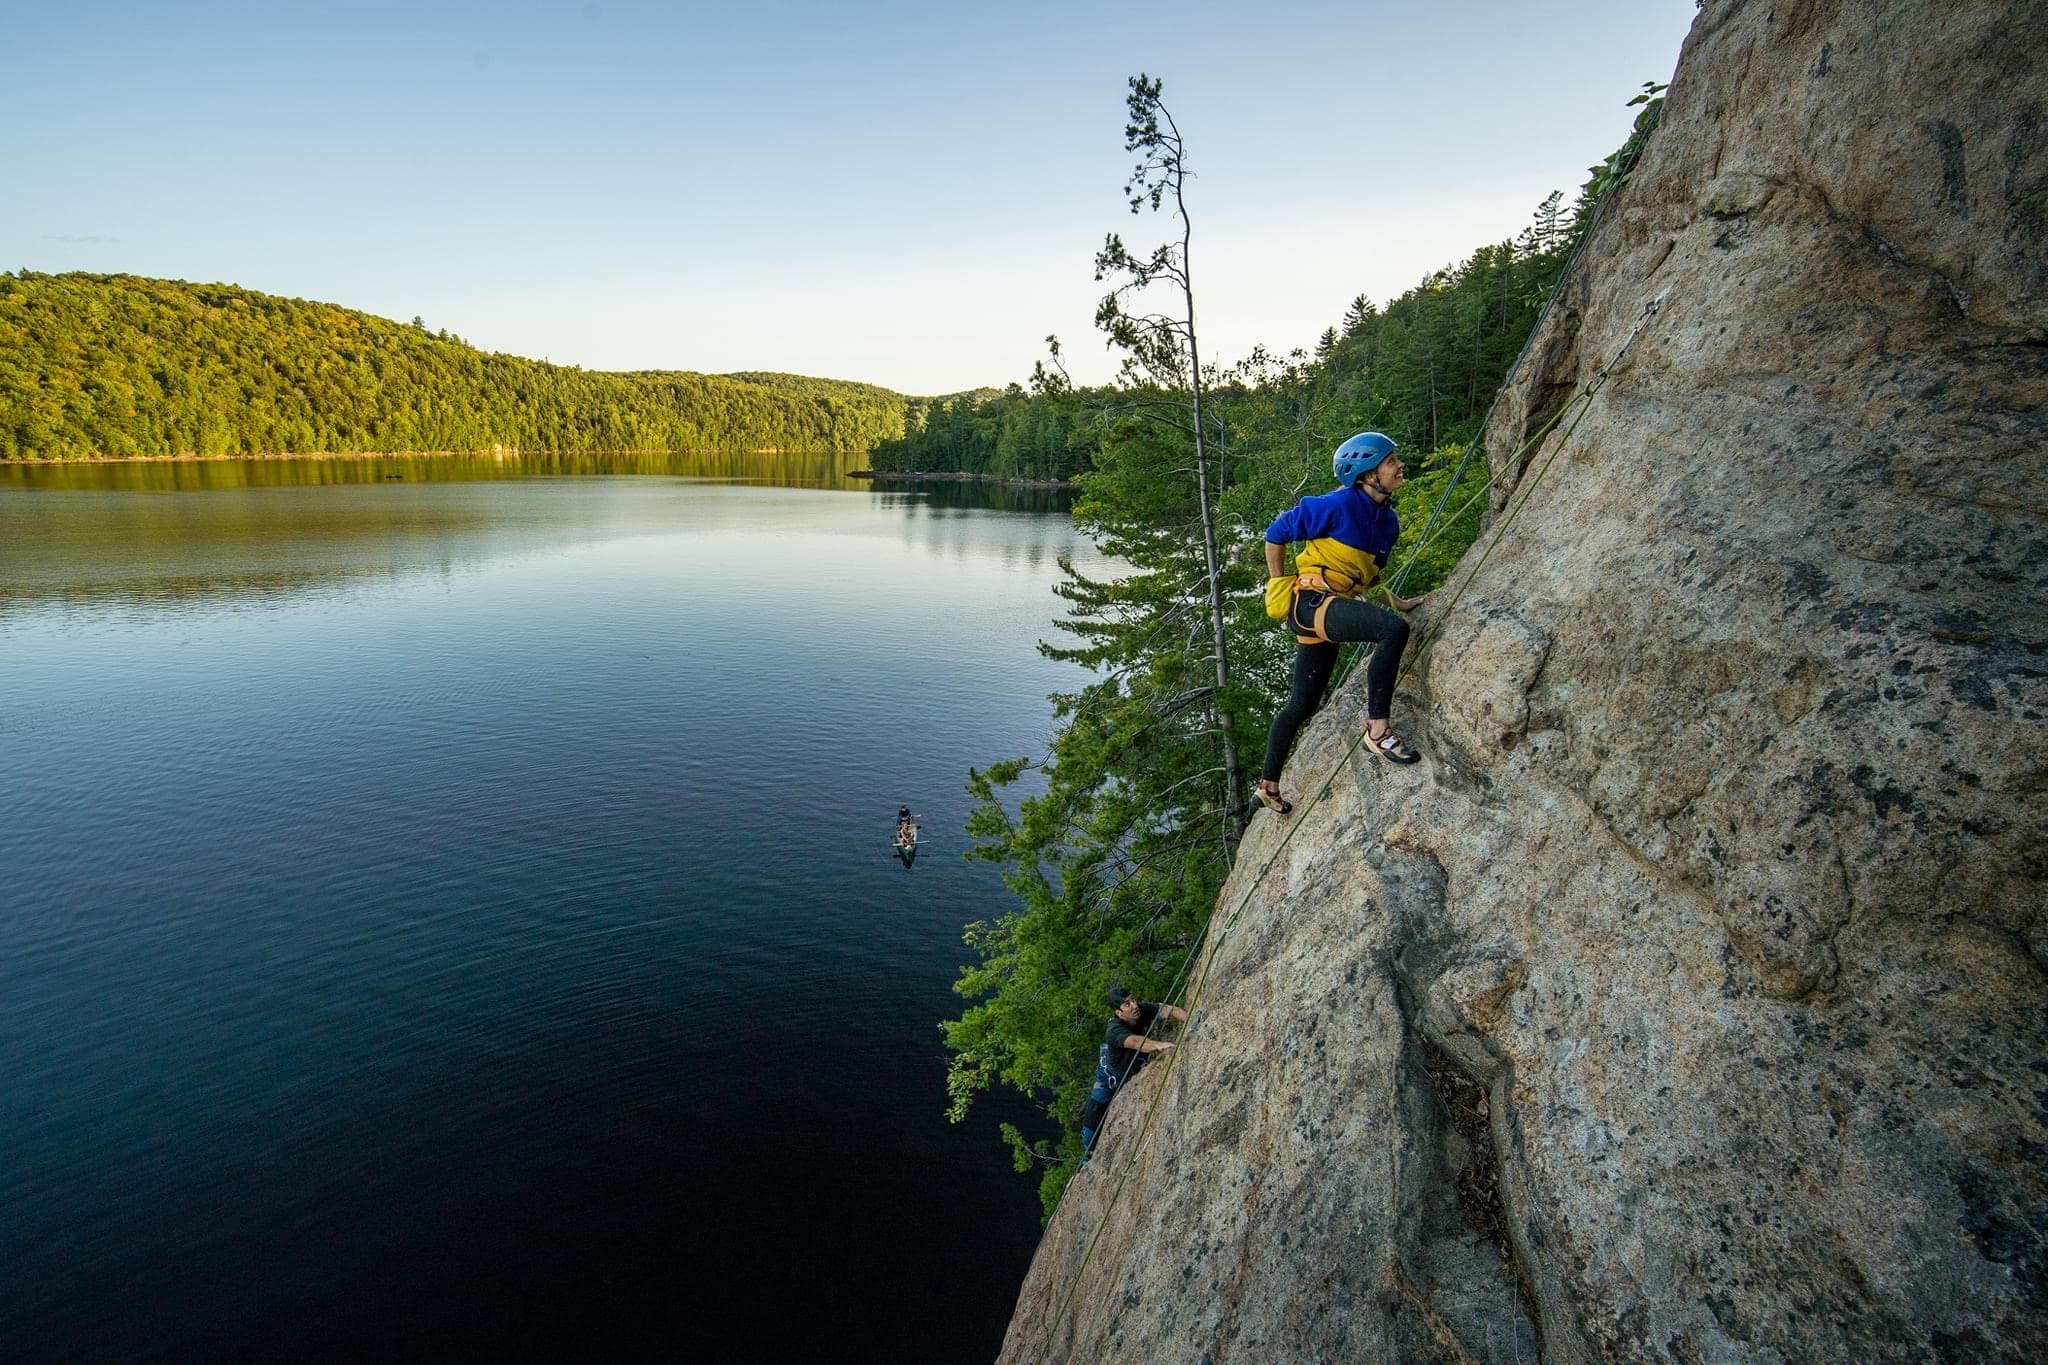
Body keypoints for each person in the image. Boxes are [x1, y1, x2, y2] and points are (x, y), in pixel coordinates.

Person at [1255, 431, 1428, 815]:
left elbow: (1367, 577)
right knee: (1393, 631)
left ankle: (1268, 785)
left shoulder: (1388, 522)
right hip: (1311, 602)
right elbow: (1276, 533)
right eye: (1391, 461)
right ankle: (1378, 731)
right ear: (1368, 475)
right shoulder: (1336, 504)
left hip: (1331, 606)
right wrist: (1277, 582)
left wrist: (1398, 602)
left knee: (1302, 702)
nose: (1400, 465)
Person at [1083, 984, 1189, 1154]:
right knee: (1090, 1130)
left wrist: (1190, 1020)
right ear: (1119, 1013)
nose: (1134, 1005)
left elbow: (1170, 1010)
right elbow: (1136, 1042)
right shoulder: (1114, 1030)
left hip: (1128, 1070)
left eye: (1132, 1000)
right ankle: (1087, 1158)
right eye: (1127, 1004)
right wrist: (1158, 1045)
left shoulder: (1141, 1009)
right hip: (1109, 1078)